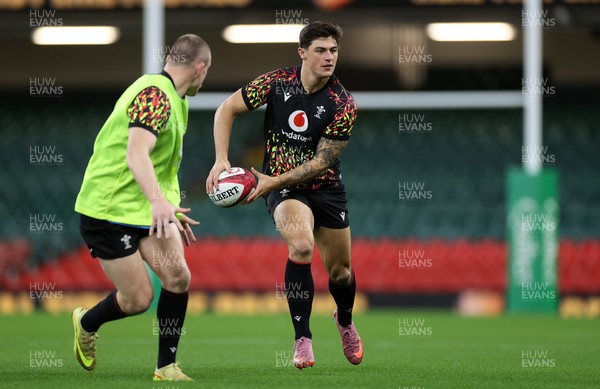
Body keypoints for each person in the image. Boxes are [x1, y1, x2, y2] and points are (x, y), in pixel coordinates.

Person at [206, 21, 362, 369]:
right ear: (302, 53)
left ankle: (345, 321)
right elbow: (225, 109)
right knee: (301, 246)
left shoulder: (343, 103)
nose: (328, 57)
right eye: (320, 50)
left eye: (333, 50)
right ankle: (302, 339)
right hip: (287, 191)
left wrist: (269, 182)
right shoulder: (277, 83)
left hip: (325, 188)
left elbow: (322, 162)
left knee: (341, 273)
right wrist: (221, 159)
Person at [73, 34, 211, 381]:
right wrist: (157, 201)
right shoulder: (155, 94)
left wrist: (168, 205)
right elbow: (136, 153)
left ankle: (166, 367)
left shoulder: (177, 100)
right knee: (137, 299)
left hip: (145, 209)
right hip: (107, 209)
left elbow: (160, 166)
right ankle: (86, 323)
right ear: (200, 68)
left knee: (178, 277)